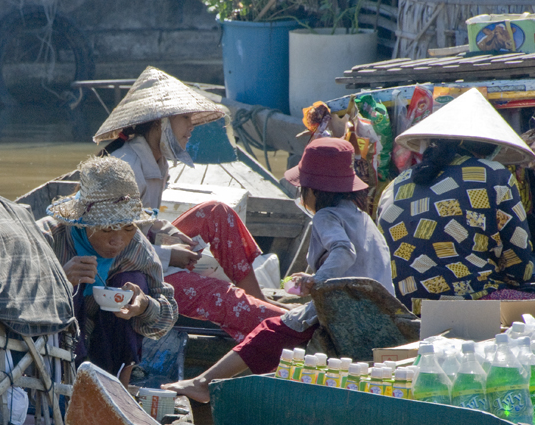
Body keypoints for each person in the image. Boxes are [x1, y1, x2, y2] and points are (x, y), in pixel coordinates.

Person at [162, 138, 393, 402]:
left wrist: (317, 280)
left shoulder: (326, 216)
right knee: (283, 322)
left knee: (269, 332)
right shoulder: (363, 219)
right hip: (376, 311)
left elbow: (343, 251)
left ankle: (203, 383)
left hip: (346, 310)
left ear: (313, 191)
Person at [93, 66, 284, 343]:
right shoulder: (127, 167)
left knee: (217, 213)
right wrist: (170, 255)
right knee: (217, 293)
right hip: (126, 271)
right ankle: (276, 321)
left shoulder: (156, 160)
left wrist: (170, 232)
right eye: (185, 118)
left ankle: (258, 301)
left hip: (144, 250)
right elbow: (113, 247)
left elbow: (144, 220)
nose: (191, 126)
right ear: (161, 122)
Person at [377, 88, 535, 315]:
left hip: (406, 307)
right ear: (488, 146)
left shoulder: (395, 185)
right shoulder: (496, 175)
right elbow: (520, 266)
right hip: (472, 302)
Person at [37, 155, 177, 384]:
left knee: (133, 280)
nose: (118, 240)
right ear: (84, 221)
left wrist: (144, 306)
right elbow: (11, 301)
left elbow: (166, 316)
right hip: (54, 354)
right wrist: (59, 281)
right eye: (107, 229)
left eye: (128, 227)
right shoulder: (48, 238)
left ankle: (118, 381)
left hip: (111, 351)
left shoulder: (137, 248)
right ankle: (67, 377)